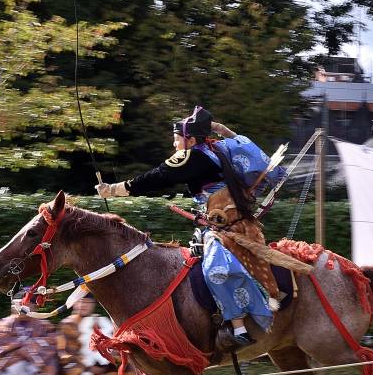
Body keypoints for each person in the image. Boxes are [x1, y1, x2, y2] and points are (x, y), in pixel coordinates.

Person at [95, 105, 285, 347]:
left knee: (215, 269)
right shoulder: (218, 147)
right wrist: (224, 130)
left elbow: (157, 176)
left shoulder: (195, 156)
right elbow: (247, 148)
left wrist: (112, 190)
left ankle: (238, 327)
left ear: (191, 140)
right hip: (229, 223)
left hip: (224, 227)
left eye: (177, 140)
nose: (174, 145)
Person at [57, 292, 123, 375]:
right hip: (76, 367)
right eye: (80, 302)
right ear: (74, 303)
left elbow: (110, 345)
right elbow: (65, 352)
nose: (83, 305)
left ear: (93, 305)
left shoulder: (100, 322)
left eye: (87, 303)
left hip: (101, 366)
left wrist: (111, 361)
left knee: (123, 374)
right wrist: (86, 366)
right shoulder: (68, 324)